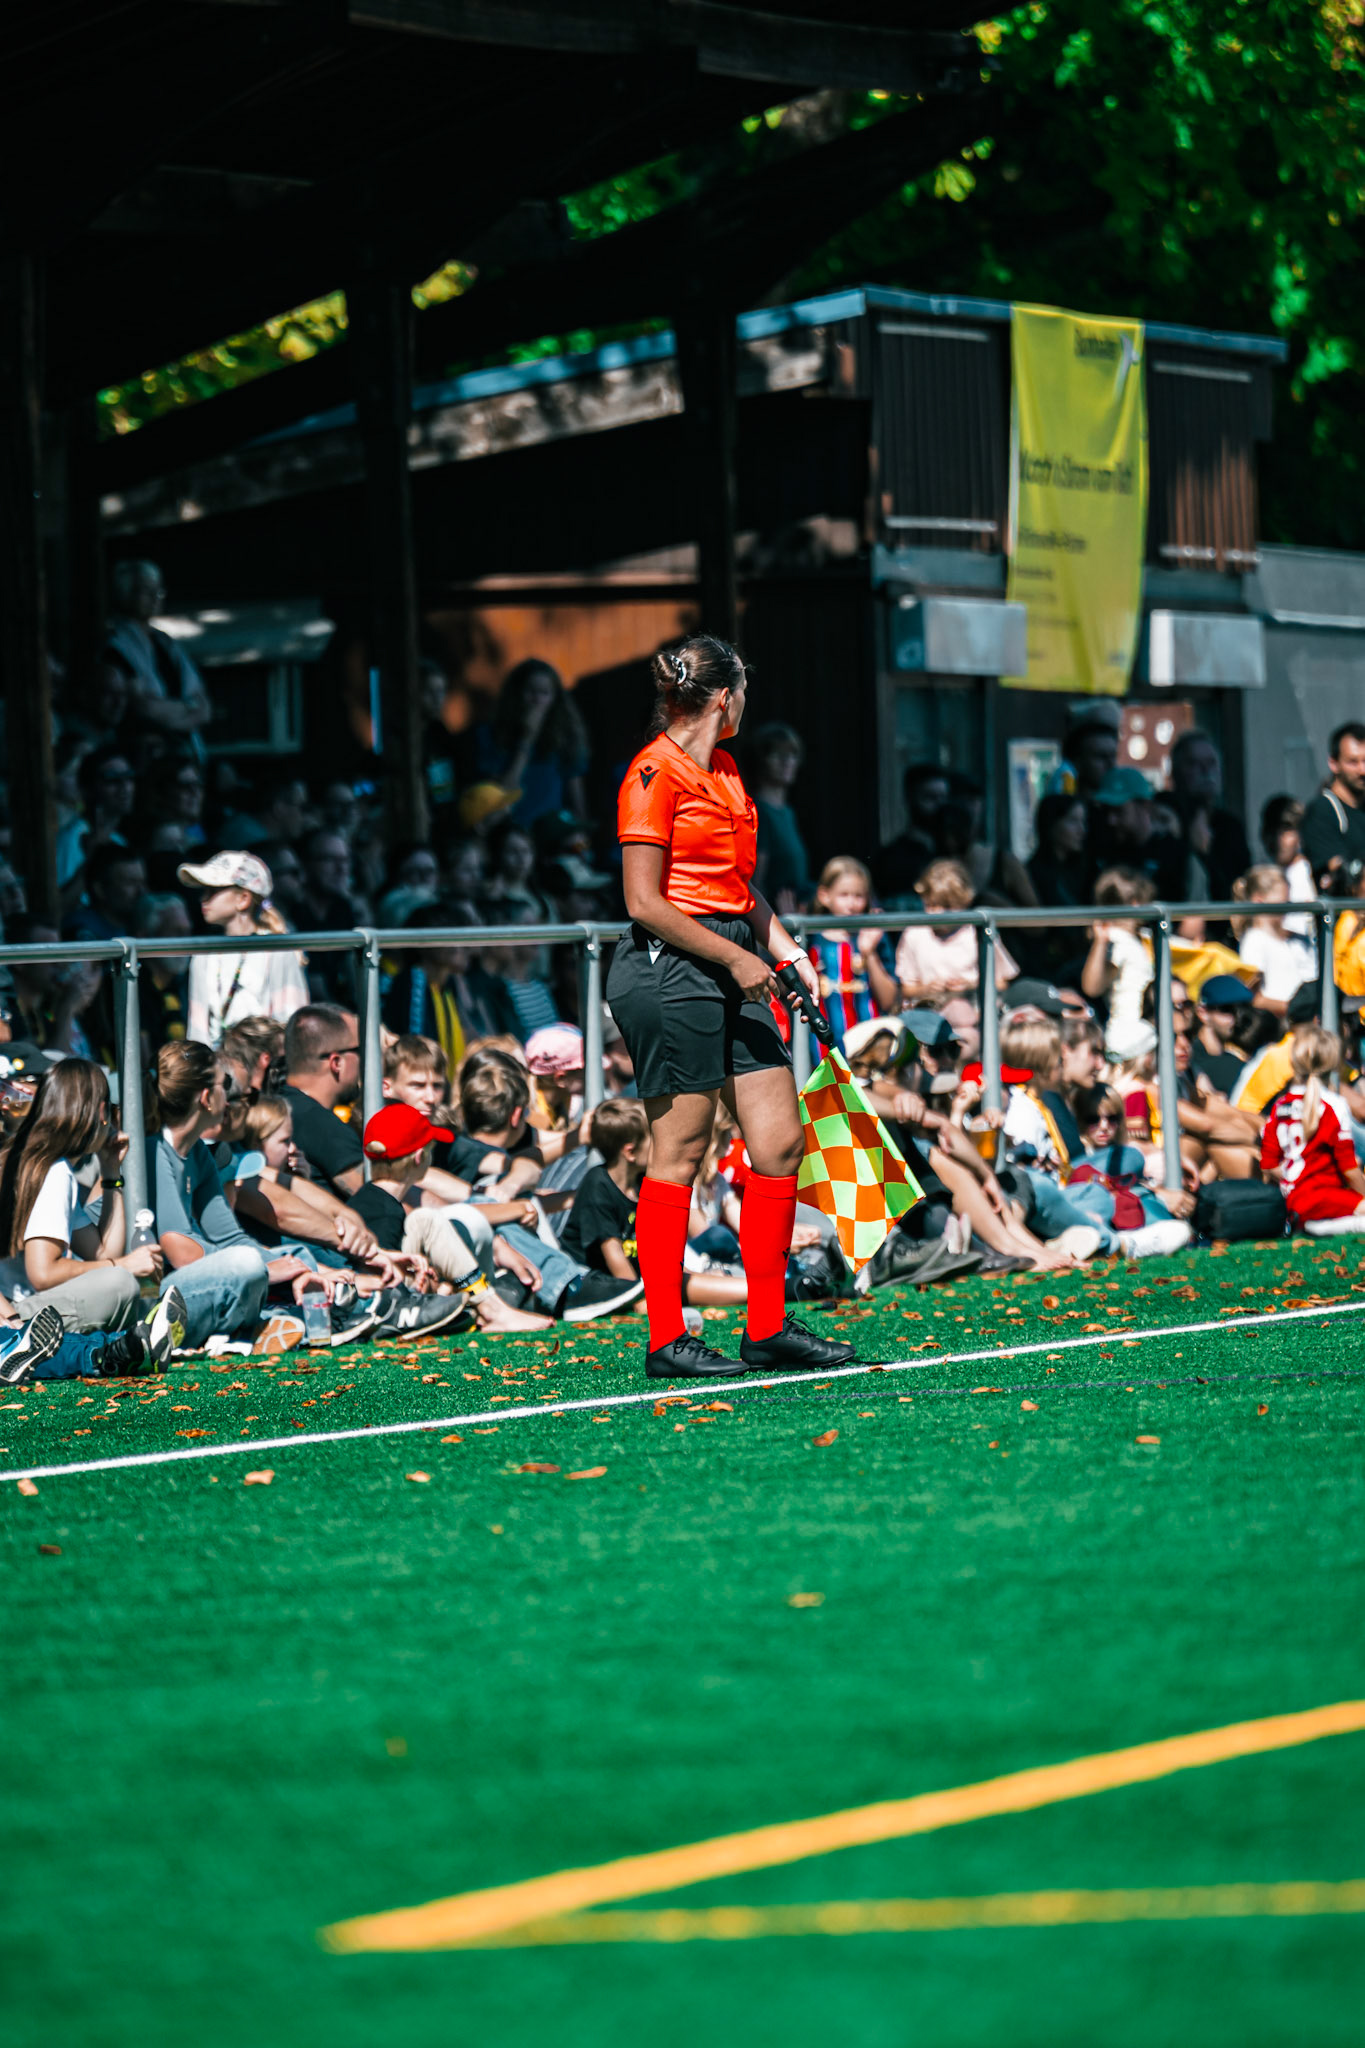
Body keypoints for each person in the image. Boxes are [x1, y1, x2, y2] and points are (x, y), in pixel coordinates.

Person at [605, 633, 853, 1380]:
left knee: (778, 1143)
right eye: (743, 689)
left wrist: (787, 949)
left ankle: (767, 1327)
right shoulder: (651, 774)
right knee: (678, 1154)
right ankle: (666, 1338)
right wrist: (741, 957)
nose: (746, 701)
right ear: (724, 697)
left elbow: (735, 889)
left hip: (732, 958)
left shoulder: (725, 768)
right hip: (668, 968)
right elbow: (643, 902)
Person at [0, 1055, 176, 1338]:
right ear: (103, 1111)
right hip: (17, 1316)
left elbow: (104, 1251)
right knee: (120, 1285)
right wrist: (125, 1266)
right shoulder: (54, 1170)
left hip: (19, 1308)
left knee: (121, 1280)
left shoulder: (34, 1159)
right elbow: (43, 1273)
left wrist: (110, 1172)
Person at [145, 1041, 299, 1351]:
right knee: (248, 1265)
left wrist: (306, 1268)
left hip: (190, 1285)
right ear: (205, 1097)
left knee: (295, 1256)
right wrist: (267, 1268)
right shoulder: (153, 1149)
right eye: (223, 1084)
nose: (228, 1098)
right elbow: (178, 1249)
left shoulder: (198, 1153)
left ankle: (271, 1321)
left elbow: (230, 1237)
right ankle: (251, 1329)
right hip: (149, 1296)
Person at [350, 1100, 553, 1334]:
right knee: (426, 1218)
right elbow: (382, 1281)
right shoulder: (382, 1211)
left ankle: (488, 1305)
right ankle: (492, 1310)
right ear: (419, 1158)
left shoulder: (374, 1199)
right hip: (381, 1307)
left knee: (423, 1219)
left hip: (402, 1291)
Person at [178, 851, 309, 1044]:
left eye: (213, 890)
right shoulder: (203, 956)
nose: (203, 899)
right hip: (218, 1068)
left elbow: (292, 1023)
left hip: (270, 1066)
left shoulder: (278, 950)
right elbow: (197, 1033)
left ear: (243, 899)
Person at [894, 858, 1018, 1058]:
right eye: (932, 905)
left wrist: (970, 984)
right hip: (928, 1015)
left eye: (947, 906)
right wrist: (929, 988)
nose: (938, 914)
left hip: (973, 1017)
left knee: (966, 1027)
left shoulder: (977, 932)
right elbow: (906, 988)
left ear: (965, 902)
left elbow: (1002, 982)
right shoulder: (914, 933)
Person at [1261, 1024, 1365, 1236]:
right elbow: (1349, 1168)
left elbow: (1269, 1165)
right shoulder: (1333, 1105)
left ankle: (1313, 1225)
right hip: (1321, 1197)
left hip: (1291, 1200)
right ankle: (1324, 1226)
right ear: (1334, 1062)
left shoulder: (1280, 1105)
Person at [104, 559, 212, 758]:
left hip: (187, 749)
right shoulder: (116, 645)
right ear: (125, 593)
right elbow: (143, 708)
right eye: (146, 591)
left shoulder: (166, 643)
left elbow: (204, 707)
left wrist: (174, 713)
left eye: (159, 591)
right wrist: (188, 709)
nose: (155, 598)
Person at [474, 659, 589, 827]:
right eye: (530, 691)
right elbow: (499, 796)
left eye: (544, 693)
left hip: (550, 833)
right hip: (510, 834)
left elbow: (577, 804)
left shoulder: (566, 737)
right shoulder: (490, 735)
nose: (536, 700)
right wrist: (526, 740)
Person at [805, 857, 899, 1051]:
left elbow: (889, 1000)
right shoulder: (811, 939)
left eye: (858, 896)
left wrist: (869, 952)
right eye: (844, 895)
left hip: (869, 1048)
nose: (852, 904)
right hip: (821, 1049)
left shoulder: (874, 938)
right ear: (824, 895)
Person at [1166, 729, 1251, 903]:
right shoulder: (1163, 816)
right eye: (1193, 763)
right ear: (1175, 773)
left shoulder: (1230, 826)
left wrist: (1205, 855)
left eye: (1211, 763)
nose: (1206, 771)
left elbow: (1238, 887)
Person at [1081, 868, 1156, 1060]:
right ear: (1134, 902)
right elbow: (1092, 986)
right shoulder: (1117, 940)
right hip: (1128, 1041)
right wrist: (1101, 942)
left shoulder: (1139, 939)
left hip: (1144, 1036)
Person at [747, 720, 814, 913]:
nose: (787, 762)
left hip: (795, 917)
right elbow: (755, 882)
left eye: (792, 755)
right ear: (760, 760)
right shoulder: (757, 811)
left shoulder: (788, 813)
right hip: (773, 921)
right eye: (777, 754)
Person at [1231, 864, 1315, 1013]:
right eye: (1282, 903)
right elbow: (1254, 997)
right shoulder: (1254, 940)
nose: (1287, 910)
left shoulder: (1296, 938)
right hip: (1281, 1024)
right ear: (1259, 901)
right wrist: (1295, 1010)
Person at [874, 763, 950, 907]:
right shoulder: (891, 859)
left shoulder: (954, 852)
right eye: (930, 798)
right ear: (910, 799)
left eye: (943, 797)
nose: (940, 806)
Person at [1300, 721, 1365, 887]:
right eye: (1353, 762)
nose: (1362, 770)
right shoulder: (1323, 811)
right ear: (1334, 763)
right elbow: (1341, 873)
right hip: (1337, 912)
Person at [1027, 793, 1089, 909]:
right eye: (1073, 821)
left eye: (1083, 822)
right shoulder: (1032, 875)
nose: (1081, 830)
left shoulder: (1084, 871)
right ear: (1051, 824)